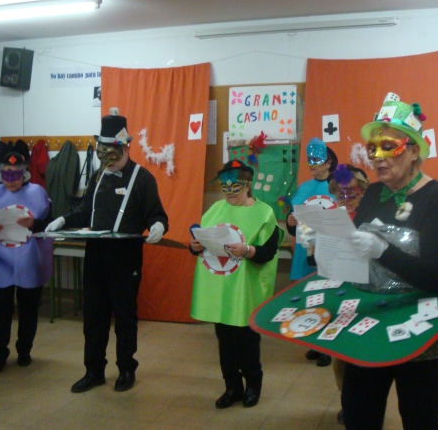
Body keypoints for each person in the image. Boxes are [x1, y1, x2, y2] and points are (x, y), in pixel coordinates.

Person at [339, 93, 438, 430]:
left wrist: (383, 250)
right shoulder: (373, 194)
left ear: (413, 150)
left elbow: (437, 276)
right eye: (373, 149)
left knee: (419, 419)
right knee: (359, 414)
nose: (377, 158)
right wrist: (324, 244)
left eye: (388, 147)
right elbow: (356, 254)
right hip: (371, 321)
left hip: (422, 331)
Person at [46, 109, 168, 394]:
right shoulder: (98, 176)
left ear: (125, 147)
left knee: (124, 317)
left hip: (125, 259)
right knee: (93, 317)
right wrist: (63, 219)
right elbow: (84, 211)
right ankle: (94, 370)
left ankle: (126, 369)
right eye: (102, 152)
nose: (106, 158)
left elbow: (157, 214)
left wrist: (159, 226)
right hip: (95, 257)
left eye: (111, 151)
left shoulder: (142, 179)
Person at [189, 159, 284, 409]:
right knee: (225, 340)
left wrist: (248, 250)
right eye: (225, 186)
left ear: (248, 184)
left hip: (245, 291)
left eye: (235, 186)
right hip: (221, 288)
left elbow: (269, 251)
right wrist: (194, 246)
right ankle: (232, 386)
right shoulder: (215, 210)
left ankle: (253, 384)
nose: (229, 192)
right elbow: (203, 244)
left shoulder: (264, 213)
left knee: (246, 341)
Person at [0, 152, 53, 375]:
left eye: (15, 176)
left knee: (29, 307)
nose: (11, 181)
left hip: (30, 259)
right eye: (6, 175)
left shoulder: (38, 193)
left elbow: (51, 224)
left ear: (25, 174)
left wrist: (35, 223)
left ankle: (24, 349)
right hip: (1, 259)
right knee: (0, 308)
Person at [285, 137, 338, 367]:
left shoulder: (338, 187)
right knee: (310, 296)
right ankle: (315, 342)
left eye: (316, 160)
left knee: (327, 295)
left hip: (328, 250)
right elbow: (293, 223)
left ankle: (327, 346)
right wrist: (291, 221)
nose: (311, 164)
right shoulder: (303, 188)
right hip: (304, 249)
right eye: (309, 160)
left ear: (328, 162)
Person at [325, 164, 369, 425]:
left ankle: (365, 405)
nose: (346, 197)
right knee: (339, 356)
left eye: (352, 192)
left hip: (366, 294)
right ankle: (347, 401)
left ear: (362, 190)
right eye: (340, 193)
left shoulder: (372, 215)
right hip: (338, 294)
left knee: (361, 353)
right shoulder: (331, 219)